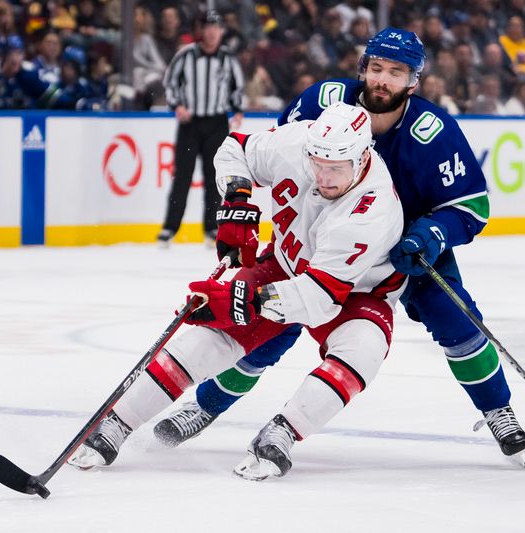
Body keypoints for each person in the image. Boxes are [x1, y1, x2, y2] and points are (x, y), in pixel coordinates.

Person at [157, 27, 525, 464]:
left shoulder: (434, 132)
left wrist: (432, 234)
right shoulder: (322, 102)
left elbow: (472, 205)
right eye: (376, 68)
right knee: (266, 324)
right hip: (316, 242)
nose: (383, 80)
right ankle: (204, 406)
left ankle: (496, 409)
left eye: (396, 72)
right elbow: (278, 155)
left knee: (457, 318)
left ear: (414, 81)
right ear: (363, 69)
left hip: (403, 253)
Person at [68, 102, 405, 480]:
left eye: (335, 169)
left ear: (362, 159)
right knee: (210, 338)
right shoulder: (297, 142)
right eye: (317, 164)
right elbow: (234, 150)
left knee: (363, 352)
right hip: (285, 263)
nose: (323, 177)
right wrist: (237, 203)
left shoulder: (369, 212)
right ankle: (118, 423)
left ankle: (282, 433)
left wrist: (239, 302)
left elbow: (318, 300)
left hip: (354, 294)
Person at [158, 10, 245, 246]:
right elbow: (170, 83)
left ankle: (211, 228)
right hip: (191, 124)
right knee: (182, 177)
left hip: (216, 123)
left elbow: (237, 88)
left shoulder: (228, 58)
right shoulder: (185, 56)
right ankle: (169, 228)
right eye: (207, 28)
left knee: (214, 177)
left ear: (221, 32)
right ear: (201, 31)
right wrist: (177, 105)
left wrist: (237, 109)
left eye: (215, 28)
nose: (211, 33)